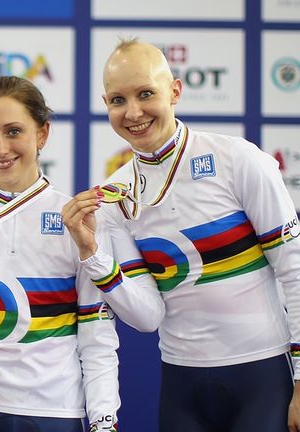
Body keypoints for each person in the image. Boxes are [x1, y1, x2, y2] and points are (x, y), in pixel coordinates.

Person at [62, 38, 300, 432]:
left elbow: (294, 270)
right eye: (118, 100)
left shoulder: (237, 159)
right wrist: (92, 254)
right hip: (181, 383)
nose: (133, 112)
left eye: (146, 94)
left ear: (174, 91)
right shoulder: (115, 196)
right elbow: (146, 317)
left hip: (263, 375)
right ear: (106, 105)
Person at [0, 75, 141, 432]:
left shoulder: (76, 218)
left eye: (13, 131)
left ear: (42, 134)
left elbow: (97, 335)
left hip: (56, 414)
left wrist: (104, 420)